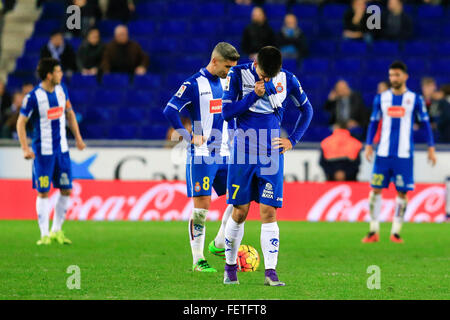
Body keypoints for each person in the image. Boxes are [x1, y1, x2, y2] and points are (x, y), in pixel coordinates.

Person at [221, 46, 313, 285]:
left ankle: (271, 273)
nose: (266, 78)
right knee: (239, 212)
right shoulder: (238, 75)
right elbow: (226, 112)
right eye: (263, 73)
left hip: (271, 154)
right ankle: (230, 268)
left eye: (271, 75)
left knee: (269, 212)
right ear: (256, 62)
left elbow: (307, 110)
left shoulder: (288, 79)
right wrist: (253, 95)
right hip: (243, 151)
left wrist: (292, 140)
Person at [163, 42, 240, 272]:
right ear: (214, 61)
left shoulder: (229, 80)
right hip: (203, 155)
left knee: (241, 196)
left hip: (226, 152)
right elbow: (170, 110)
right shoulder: (193, 84)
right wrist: (188, 136)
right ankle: (198, 259)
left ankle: (218, 242)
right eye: (227, 66)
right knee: (202, 207)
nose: (229, 71)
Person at [362, 61, 436, 244]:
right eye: (391, 75)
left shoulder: (415, 99)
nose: (393, 78)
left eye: (396, 75)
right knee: (375, 190)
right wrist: (369, 144)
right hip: (383, 155)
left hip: (404, 155)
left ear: (405, 76)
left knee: (402, 193)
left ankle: (395, 232)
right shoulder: (381, 98)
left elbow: (425, 124)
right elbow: (373, 122)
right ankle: (373, 231)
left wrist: (431, 147)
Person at [16, 58, 86, 245]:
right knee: (43, 191)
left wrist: (78, 138)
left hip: (62, 151)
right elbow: (20, 122)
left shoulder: (62, 90)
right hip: (43, 152)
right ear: (49, 75)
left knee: (66, 189)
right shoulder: (33, 97)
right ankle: (44, 234)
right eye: (58, 71)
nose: (61, 74)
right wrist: (25, 148)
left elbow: (70, 114)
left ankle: (56, 231)